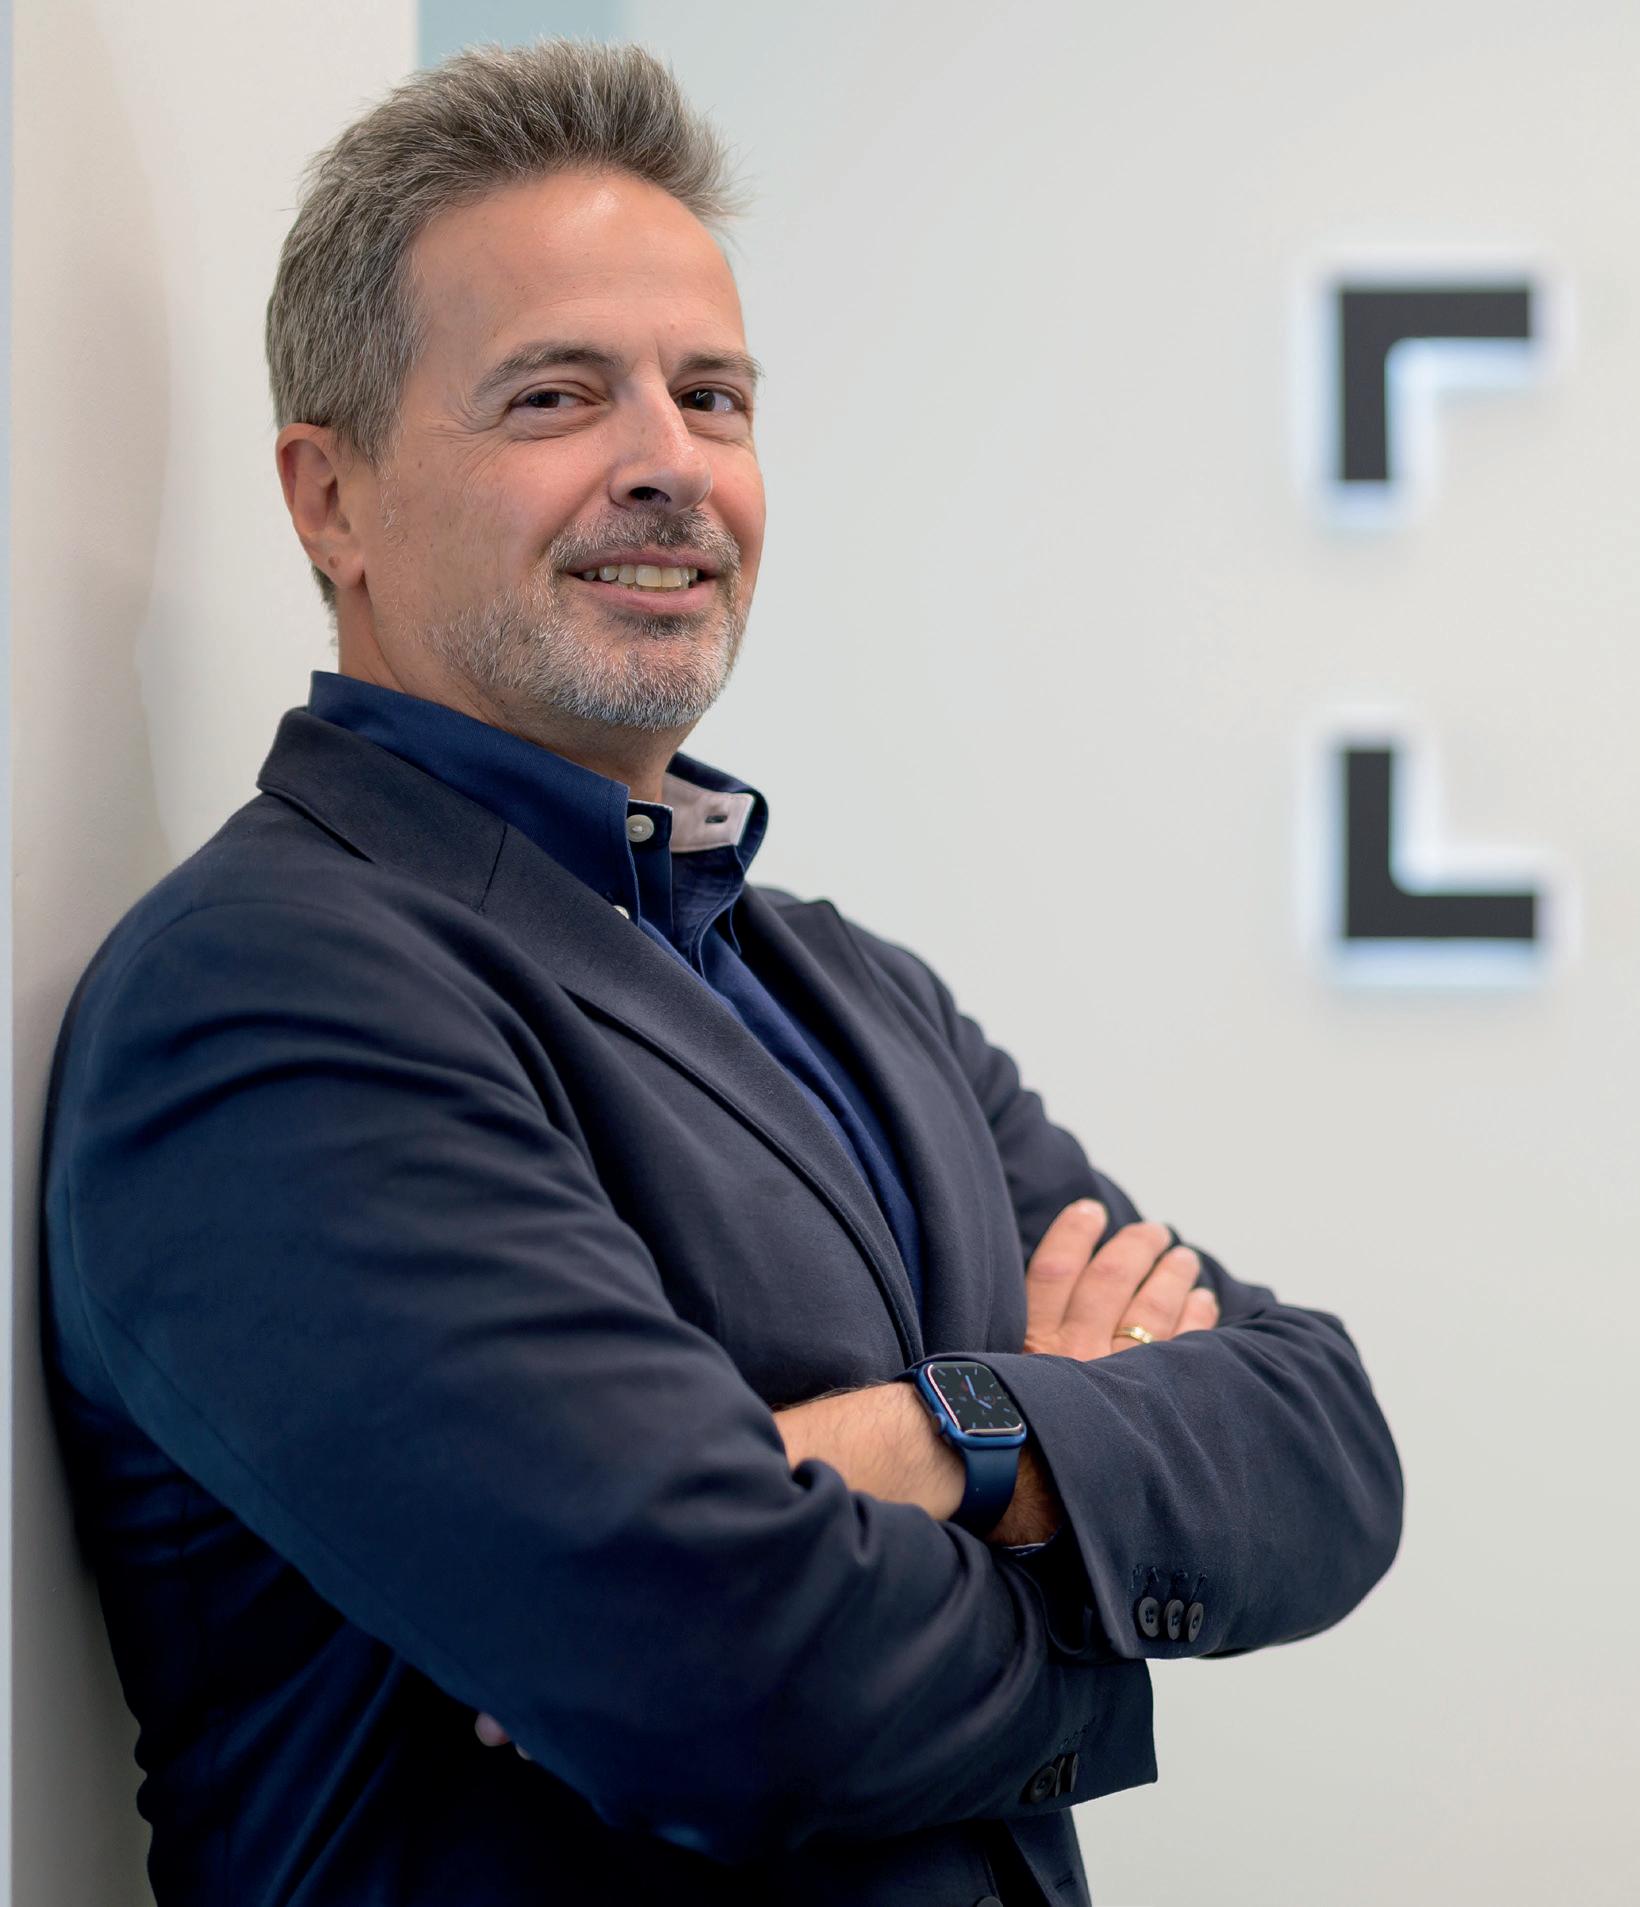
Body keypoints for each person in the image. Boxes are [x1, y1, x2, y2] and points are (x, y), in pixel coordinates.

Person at [40, 39, 1402, 1907]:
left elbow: (1321, 1441)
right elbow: (725, 1677)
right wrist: (1080, 1514)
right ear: (329, 497)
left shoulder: (848, 989)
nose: (668, 465)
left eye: (712, 397)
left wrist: (945, 1432)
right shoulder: (270, 995)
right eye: (555, 396)